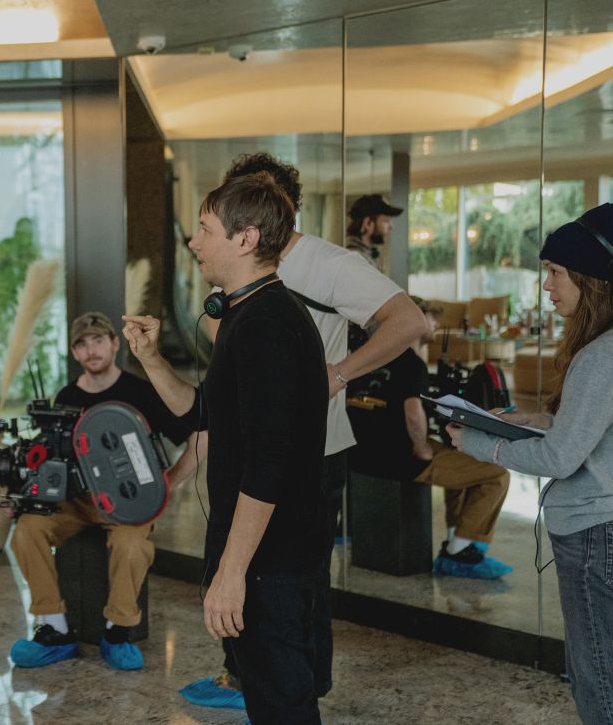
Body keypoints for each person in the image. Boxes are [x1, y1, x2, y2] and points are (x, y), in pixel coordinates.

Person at [183, 153, 428, 710]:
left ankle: (294, 686)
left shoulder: (295, 294)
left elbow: (409, 321)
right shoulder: (249, 300)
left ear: (255, 227)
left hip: (306, 462)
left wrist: (337, 375)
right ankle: (261, 679)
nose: (196, 241)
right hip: (262, 471)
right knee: (270, 634)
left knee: (289, 610)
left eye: (206, 228)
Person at [124, 172, 329, 723]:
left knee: (283, 707)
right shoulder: (246, 313)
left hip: (270, 561)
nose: (193, 242)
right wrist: (150, 359)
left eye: (204, 228)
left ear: (247, 239)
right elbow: (203, 414)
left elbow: (270, 460)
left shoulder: (264, 324)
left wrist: (232, 571)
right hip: (269, 555)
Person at [449, 203, 613, 724]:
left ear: (593, 280)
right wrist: (531, 418)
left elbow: (561, 457)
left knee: (599, 680)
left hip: (593, 534)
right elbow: (590, 432)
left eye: (555, 272)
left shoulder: (600, 356)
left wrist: (479, 442)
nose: (547, 286)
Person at [8, 311, 199, 671]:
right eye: (82, 344)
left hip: (126, 505)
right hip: (75, 502)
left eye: (98, 340)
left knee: (132, 545)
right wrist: (25, 495)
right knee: (27, 530)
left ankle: (118, 631)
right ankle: (55, 629)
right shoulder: (65, 397)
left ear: (114, 344)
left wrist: (167, 484)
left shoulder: (141, 391)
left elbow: (200, 438)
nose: (91, 349)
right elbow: (46, 460)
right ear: (75, 353)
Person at [348, 297, 512, 578]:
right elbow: (413, 412)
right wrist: (421, 446)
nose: (435, 324)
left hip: (360, 455)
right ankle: (458, 552)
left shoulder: (370, 355)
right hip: (400, 460)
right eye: (429, 318)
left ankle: (454, 536)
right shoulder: (412, 364)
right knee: (496, 474)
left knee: (463, 458)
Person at [345, 194, 403, 270]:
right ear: (368, 223)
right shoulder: (356, 259)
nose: (391, 226)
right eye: (386, 220)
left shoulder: (366, 255)